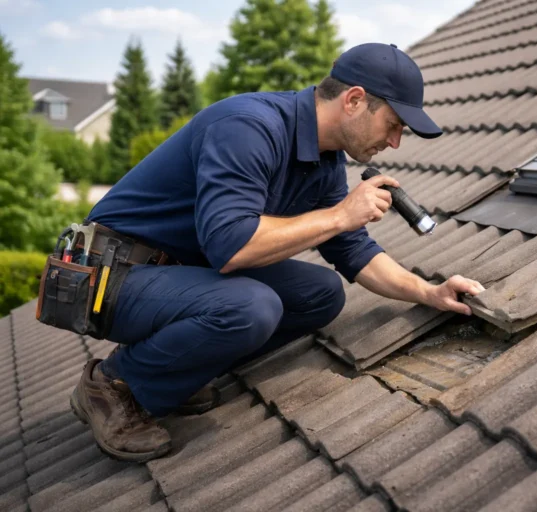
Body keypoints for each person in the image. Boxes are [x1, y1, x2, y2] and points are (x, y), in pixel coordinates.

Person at [68, 42, 485, 462]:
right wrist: (339, 215)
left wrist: (428, 292)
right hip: (109, 274)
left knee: (321, 293)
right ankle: (114, 385)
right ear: (355, 100)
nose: (394, 142)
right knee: (252, 306)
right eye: (393, 125)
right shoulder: (248, 127)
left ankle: (172, 370)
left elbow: (354, 250)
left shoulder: (324, 161)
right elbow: (230, 245)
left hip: (178, 273)